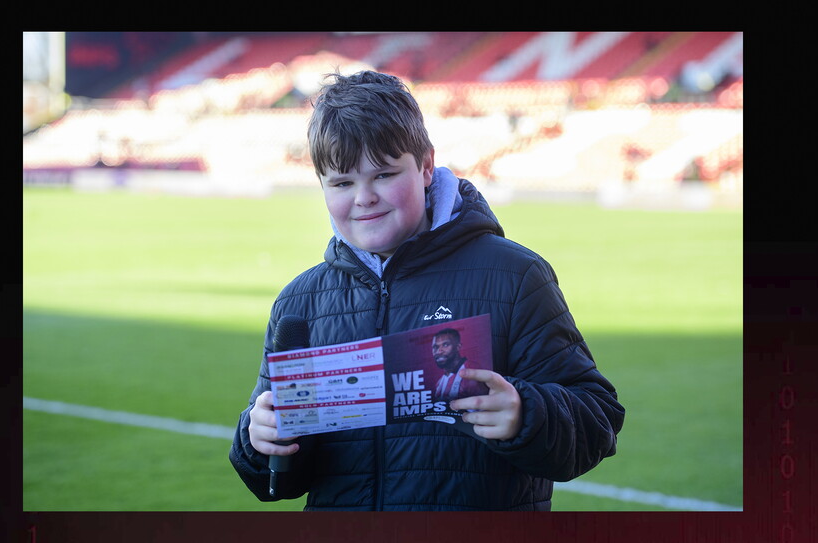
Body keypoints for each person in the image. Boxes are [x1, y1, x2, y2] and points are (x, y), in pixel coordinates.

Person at [229, 70, 624, 511]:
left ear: (426, 166)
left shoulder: (514, 276)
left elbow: (598, 421)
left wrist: (524, 413)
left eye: (383, 175)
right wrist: (258, 440)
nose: (364, 197)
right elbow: (274, 482)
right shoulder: (299, 303)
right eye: (342, 182)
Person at [431, 327, 487, 401]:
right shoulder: (439, 383)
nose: (439, 351)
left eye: (445, 345)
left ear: (458, 347)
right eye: (435, 347)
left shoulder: (472, 372)